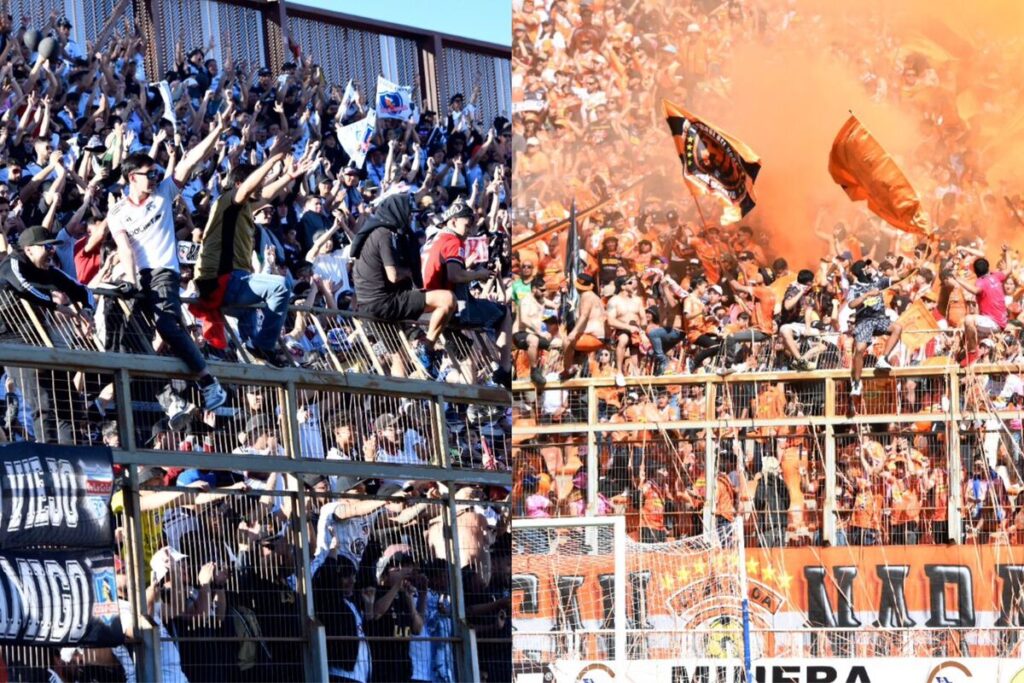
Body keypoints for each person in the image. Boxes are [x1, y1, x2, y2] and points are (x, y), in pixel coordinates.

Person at [108, 114, 228, 410]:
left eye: (156, 172)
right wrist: (130, 281)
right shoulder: (118, 213)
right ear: (131, 177)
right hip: (141, 277)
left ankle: (208, 380)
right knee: (131, 336)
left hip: (164, 273)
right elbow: (125, 249)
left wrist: (216, 132)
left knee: (166, 325)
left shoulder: (163, 193)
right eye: (149, 173)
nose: (155, 177)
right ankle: (168, 400)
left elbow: (189, 161)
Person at [422, 198, 512, 385]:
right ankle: (505, 369)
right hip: (454, 308)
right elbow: (454, 276)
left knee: (467, 363)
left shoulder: (434, 239)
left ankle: (460, 403)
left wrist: (467, 267)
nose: (470, 231)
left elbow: (446, 272)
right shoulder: (453, 240)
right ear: (453, 221)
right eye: (467, 225)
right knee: (504, 313)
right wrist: (478, 275)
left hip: (430, 307)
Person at [350, 194, 454, 356]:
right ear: (397, 212)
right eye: (408, 213)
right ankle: (427, 347)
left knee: (400, 358)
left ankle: (422, 352)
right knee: (447, 299)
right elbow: (393, 275)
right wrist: (409, 272)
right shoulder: (383, 233)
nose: (410, 218)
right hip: (383, 303)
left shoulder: (373, 232)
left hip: (367, 307)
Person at [845, 259, 903, 397]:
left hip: (879, 319)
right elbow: (851, 305)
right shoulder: (855, 288)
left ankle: (883, 359)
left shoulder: (878, 281)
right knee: (859, 350)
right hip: (864, 321)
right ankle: (857, 383)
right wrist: (866, 295)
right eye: (868, 267)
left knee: (897, 328)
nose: (871, 268)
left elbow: (897, 279)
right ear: (863, 271)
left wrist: (913, 270)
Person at [947, 250, 1010, 363]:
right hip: (996, 322)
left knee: (969, 319)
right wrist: (1006, 252)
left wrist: (957, 278)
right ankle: (966, 358)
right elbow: (1009, 269)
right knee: (964, 330)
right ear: (988, 267)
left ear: (975, 272)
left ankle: (972, 354)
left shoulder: (980, 282)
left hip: (994, 323)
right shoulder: (996, 276)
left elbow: (975, 290)